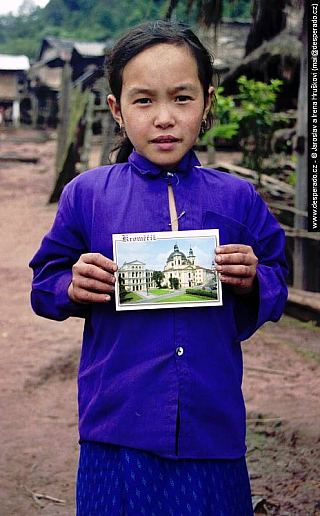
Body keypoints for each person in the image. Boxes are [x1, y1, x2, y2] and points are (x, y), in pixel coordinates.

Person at [30, 20, 288, 516]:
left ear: (208, 103)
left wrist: (255, 277)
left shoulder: (237, 197)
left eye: (182, 99)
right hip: (117, 424)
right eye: (144, 100)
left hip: (211, 426)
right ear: (117, 110)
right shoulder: (87, 195)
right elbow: (45, 283)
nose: (164, 118)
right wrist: (71, 283)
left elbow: (277, 270)